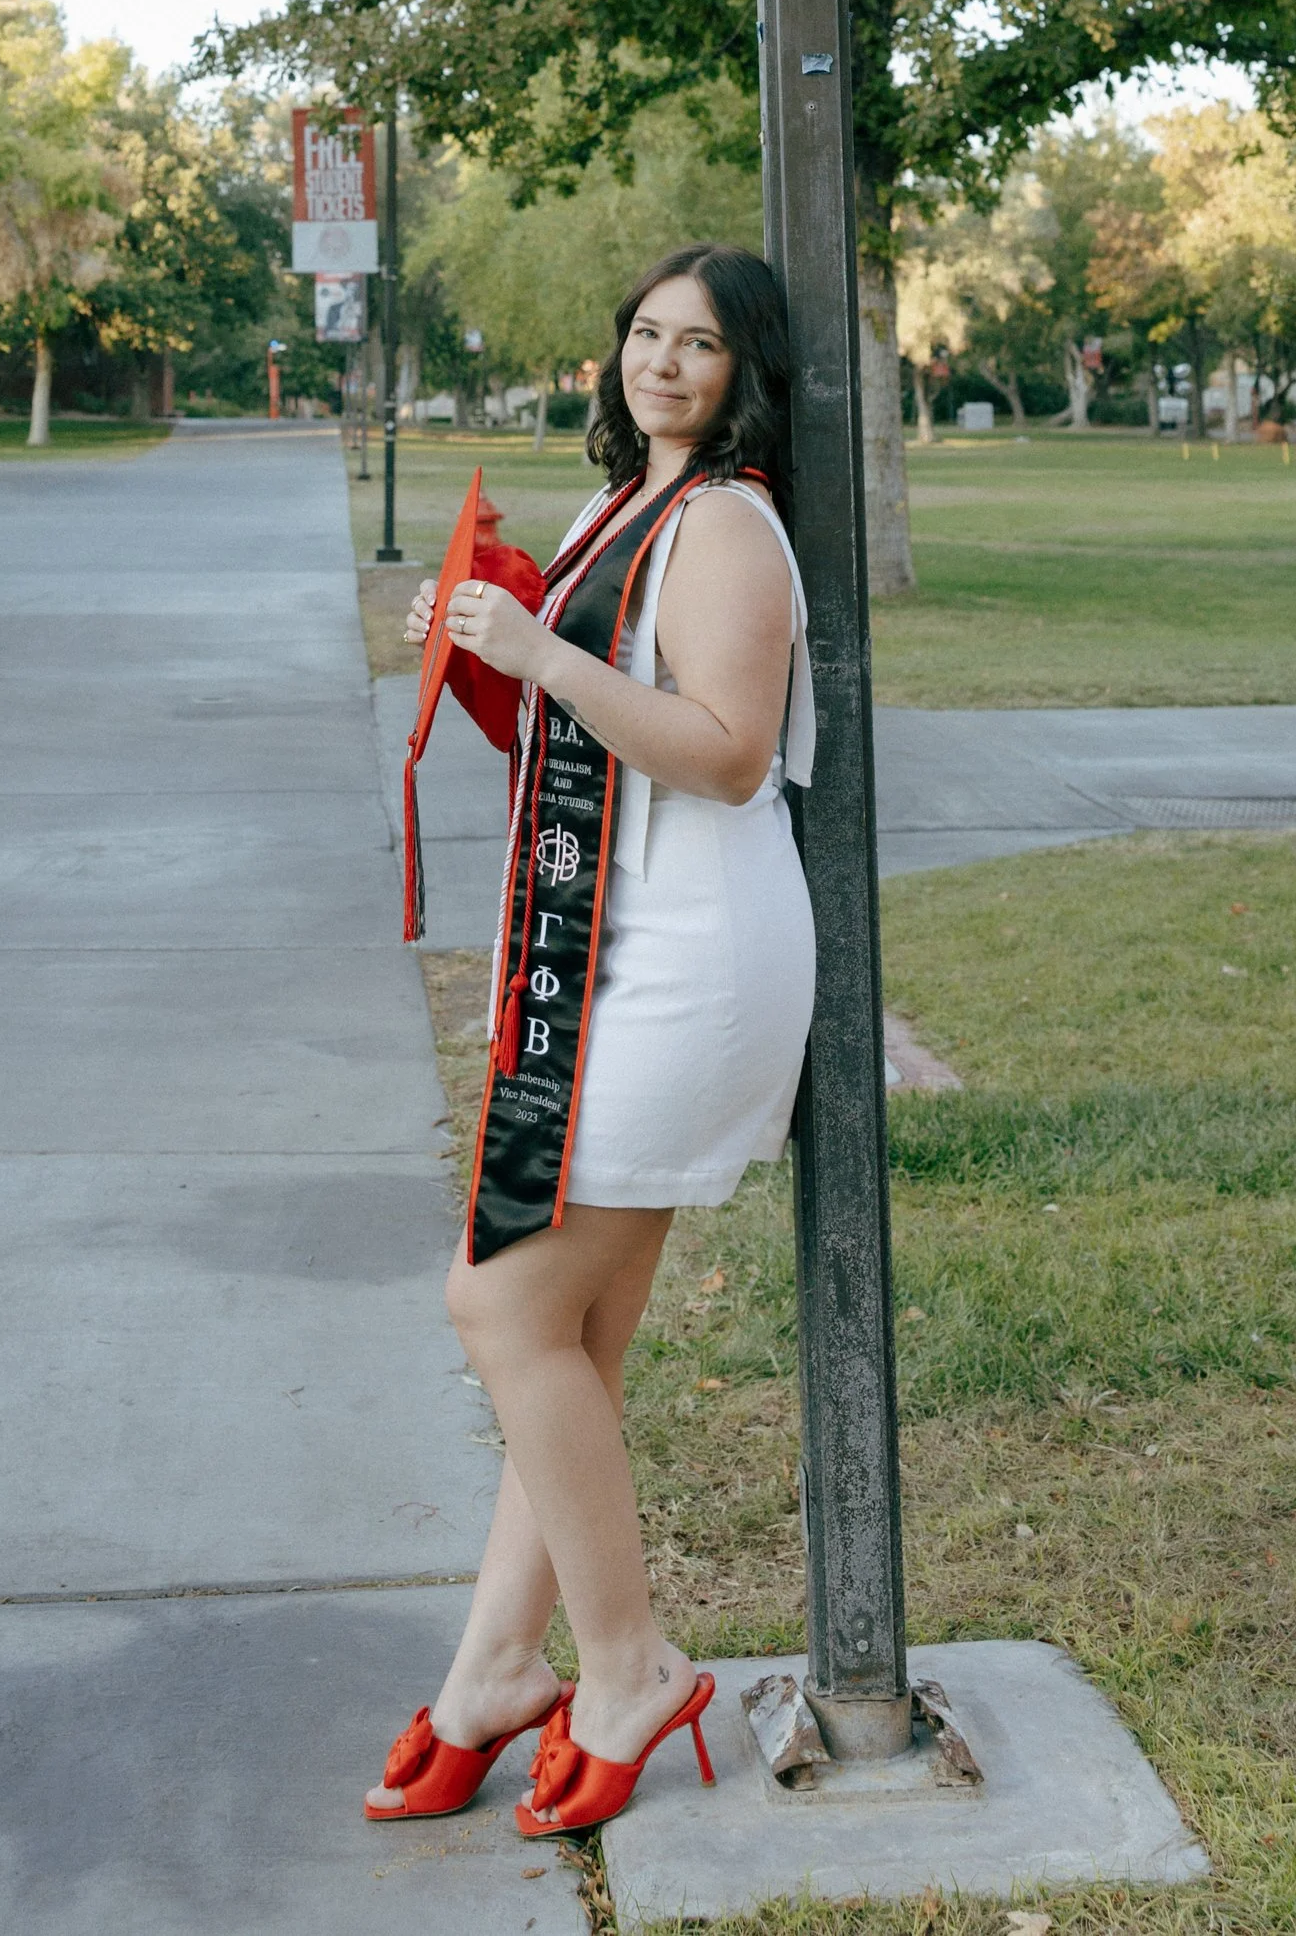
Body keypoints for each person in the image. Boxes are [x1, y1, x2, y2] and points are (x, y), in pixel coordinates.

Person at [364, 245, 816, 1841]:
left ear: (747, 371)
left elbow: (727, 750)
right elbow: (573, 735)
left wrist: (546, 648)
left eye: (700, 345)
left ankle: (623, 1667)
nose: (664, 364)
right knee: (578, 1339)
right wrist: (489, 654)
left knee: (498, 1300)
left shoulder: (729, 525)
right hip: (608, 939)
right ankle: (496, 1667)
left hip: (692, 964)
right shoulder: (614, 510)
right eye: (643, 334)